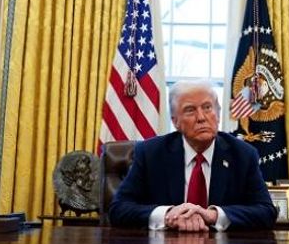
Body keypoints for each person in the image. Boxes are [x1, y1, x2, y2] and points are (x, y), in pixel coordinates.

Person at [109, 79, 277, 231]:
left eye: (207, 107)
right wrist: (168, 214)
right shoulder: (150, 153)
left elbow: (266, 212)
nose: (201, 118)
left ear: (218, 114)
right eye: (190, 110)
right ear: (175, 121)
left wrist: (214, 215)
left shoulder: (243, 155)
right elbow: (118, 209)